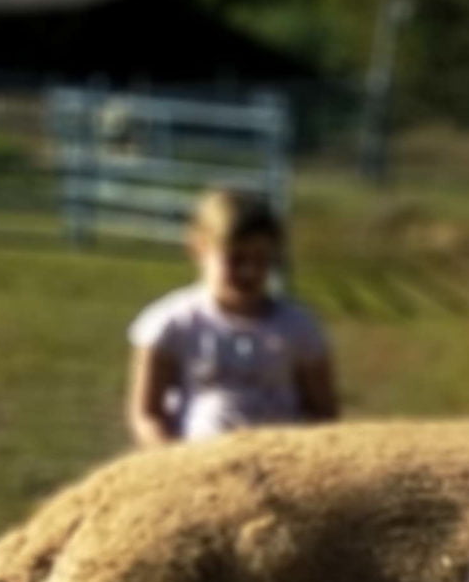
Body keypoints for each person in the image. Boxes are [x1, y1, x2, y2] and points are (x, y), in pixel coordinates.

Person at [127, 187, 338, 448]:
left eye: (261, 260)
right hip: (197, 465)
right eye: (235, 259)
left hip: (281, 467)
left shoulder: (298, 328)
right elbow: (147, 415)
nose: (249, 271)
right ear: (198, 248)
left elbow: (324, 414)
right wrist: (174, 464)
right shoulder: (170, 325)